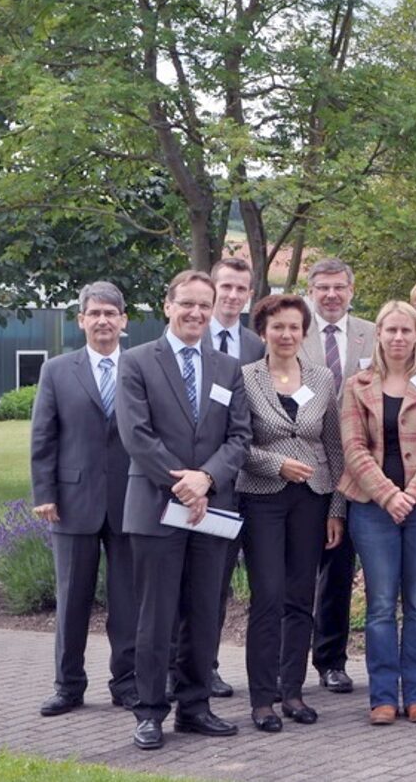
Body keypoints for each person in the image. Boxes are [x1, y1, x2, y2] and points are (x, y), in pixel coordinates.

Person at [117, 270, 252, 750]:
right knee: (155, 615)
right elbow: (136, 435)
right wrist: (185, 484)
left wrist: (208, 479)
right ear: (168, 304)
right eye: (187, 303)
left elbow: (240, 437)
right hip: (157, 508)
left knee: (203, 612)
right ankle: (151, 711)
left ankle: (195, 707)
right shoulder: (135, 362)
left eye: (204, 304)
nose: (196, 312)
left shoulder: (227, 368)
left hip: (212, 510)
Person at [337, 301, 416, 725]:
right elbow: (352, 449)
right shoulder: (357, 385)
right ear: (379, 335)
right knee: (382, 605)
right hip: (372, 509)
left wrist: (414, 493)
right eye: (391, 330)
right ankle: (383, 697)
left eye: (407, 331)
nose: (399, 338)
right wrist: (389, 495)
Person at [235, 293, 345, 733]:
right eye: (277, 327)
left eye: (294, 328)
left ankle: (293, 691)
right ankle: (263, 698)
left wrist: (337, 506)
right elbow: (237, 444)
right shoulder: (245, 379)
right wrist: (275, 463)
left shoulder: (321, 378)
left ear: (305, 332)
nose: (286, 335)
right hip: (263, 497)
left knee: (301, 598)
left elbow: (333, 446)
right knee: (267, 598)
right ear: (263, 331)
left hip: (313, 499)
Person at [31, 281, 137, 717]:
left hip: (132, 499)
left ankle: (126, 683)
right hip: (72, 502)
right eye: (94, 313)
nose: (103, 321)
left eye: (111, 313)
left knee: (128, 600)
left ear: (124, 321)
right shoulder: (57, 370)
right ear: (81, 320)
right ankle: (68, 685)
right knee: (72, 598)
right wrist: (44, 493)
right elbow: (44, 434)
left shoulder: (139, 367)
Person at [300, 257, 376, 696]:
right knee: (294, 572)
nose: (331, 295)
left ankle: (331, 660)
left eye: (339, 287)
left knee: (338, 570)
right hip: (304, 466)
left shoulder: (371, 333)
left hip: (356, 470)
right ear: (311, 291)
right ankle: (285, 659)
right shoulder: (292, 330)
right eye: (323, 287)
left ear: (351, 289)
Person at [201, 256, 264, 699]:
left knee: (218, 584)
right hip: (197, 482)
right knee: (191, 583)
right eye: (226, 287)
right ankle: (182, 666)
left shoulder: (255, 346)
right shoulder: (186, 333)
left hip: (246, 483)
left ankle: (209, 666)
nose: (233, 296)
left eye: (241, 289)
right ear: (212, 288)